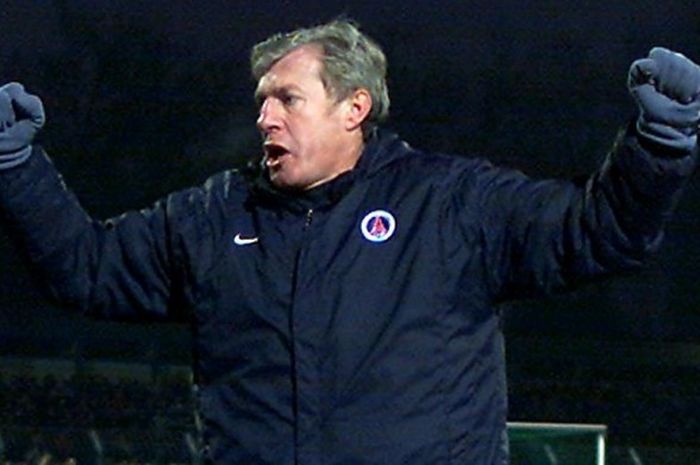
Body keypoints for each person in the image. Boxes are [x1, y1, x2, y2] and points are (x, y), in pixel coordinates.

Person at [0, 19, 699, 465]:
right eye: (261, 103)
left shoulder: (450, 203)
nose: (266, 117)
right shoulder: (213, 216)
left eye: (287, 99)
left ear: (353, 107)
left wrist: (657, 146)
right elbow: (85, 269)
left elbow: (596, 234)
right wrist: (17, 166)